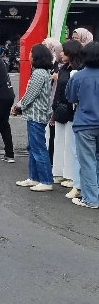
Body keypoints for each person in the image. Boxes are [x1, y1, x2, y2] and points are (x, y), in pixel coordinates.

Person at [14, 44, 54, 192]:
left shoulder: (39, 73)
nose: (29, 55)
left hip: (37, 115)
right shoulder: (43, 72)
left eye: (31, 53)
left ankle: (45, 180)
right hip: (36, 114)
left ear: (36, 56)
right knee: (33, 147)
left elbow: (31, 94)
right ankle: (33, 177)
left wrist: (18, 106)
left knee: (38, 148)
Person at [66, 41, 99, 208]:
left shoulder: (77, 76)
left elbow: (71, 98)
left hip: (85, 123)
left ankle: (91, 199)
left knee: (87, 162)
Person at [51, 39, 83, 198]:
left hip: (71, 111)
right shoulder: (63, 68)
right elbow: (58, 91)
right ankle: (59, 172)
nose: (61, 53)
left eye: (64, 51)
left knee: (71, 144)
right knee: (59, 141)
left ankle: (70, 175)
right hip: (60, 109)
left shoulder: (78, 70)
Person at [42, 37, 63, 169]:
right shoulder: (48, 63)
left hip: (57, 103)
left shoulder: (59, 65)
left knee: (55, 135)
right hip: (48, 101)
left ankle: (52, 161)